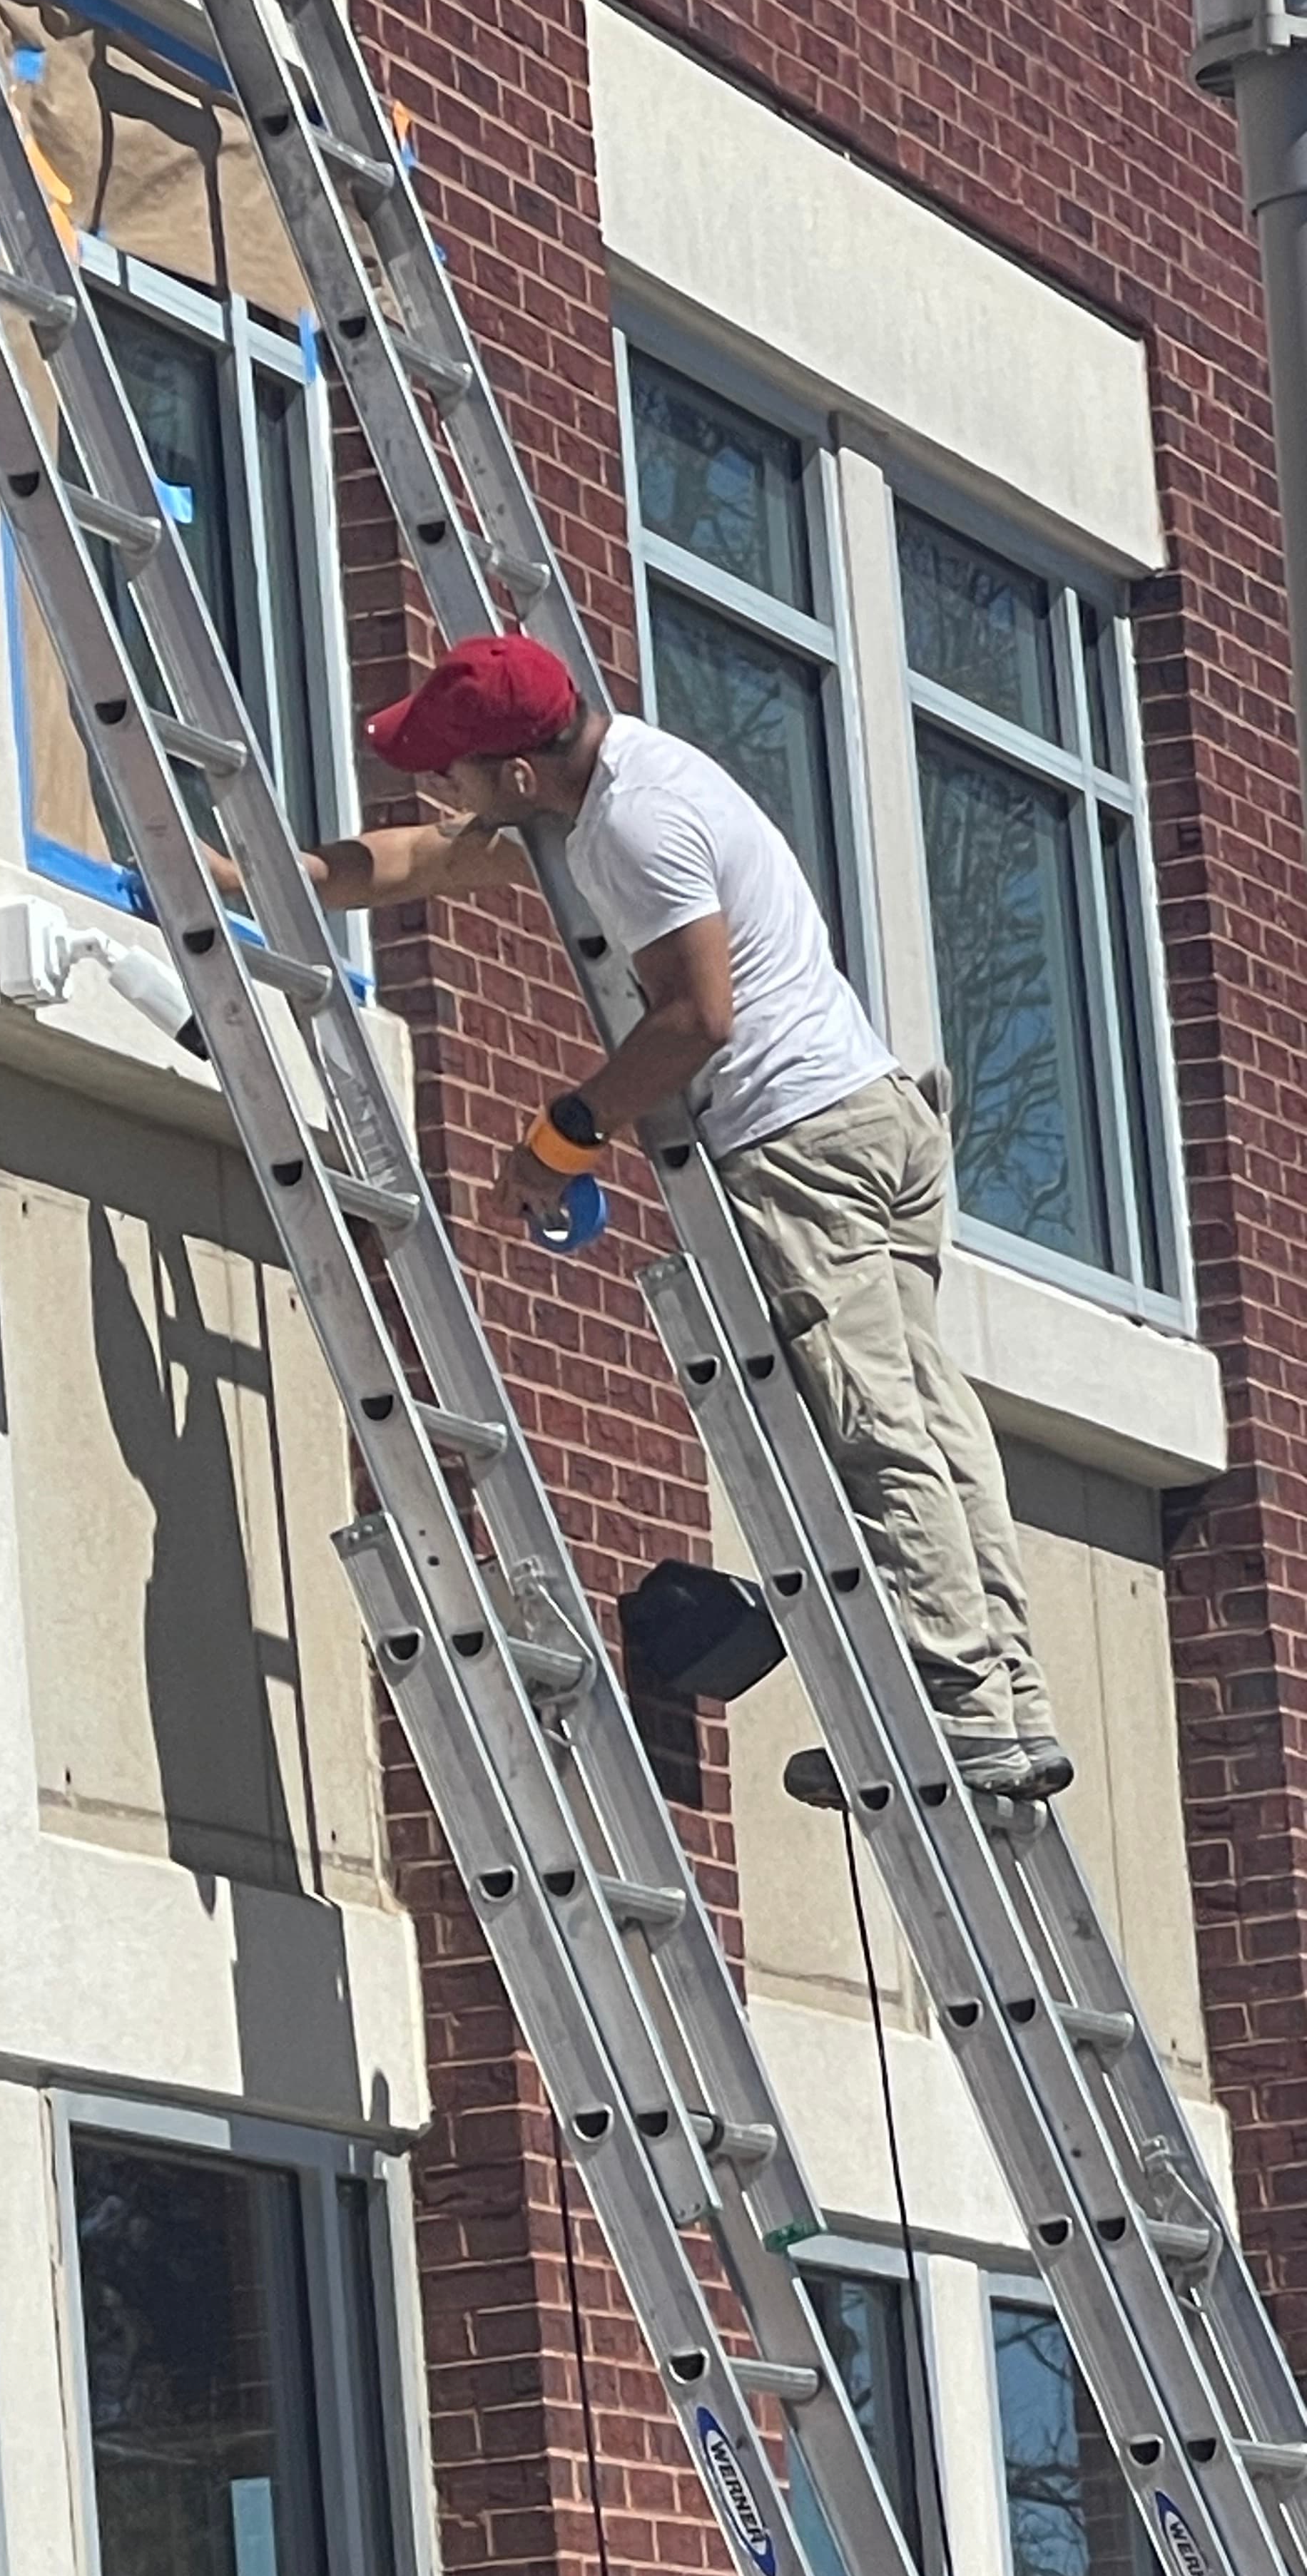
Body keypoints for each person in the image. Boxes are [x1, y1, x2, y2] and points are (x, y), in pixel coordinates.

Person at [215, 630, 1069, 1806]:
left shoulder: (630, 825)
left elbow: (695, 1017)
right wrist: (257, 879)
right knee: (923, 1414)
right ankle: (1004, 1705)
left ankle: (955, 1712)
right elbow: (429, 860)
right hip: (871, 1116)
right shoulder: (606, 790)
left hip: (800, 1142)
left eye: (454, 769)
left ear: (518, 773)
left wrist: (556, 1136)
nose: (440, 789)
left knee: (872, 1428)